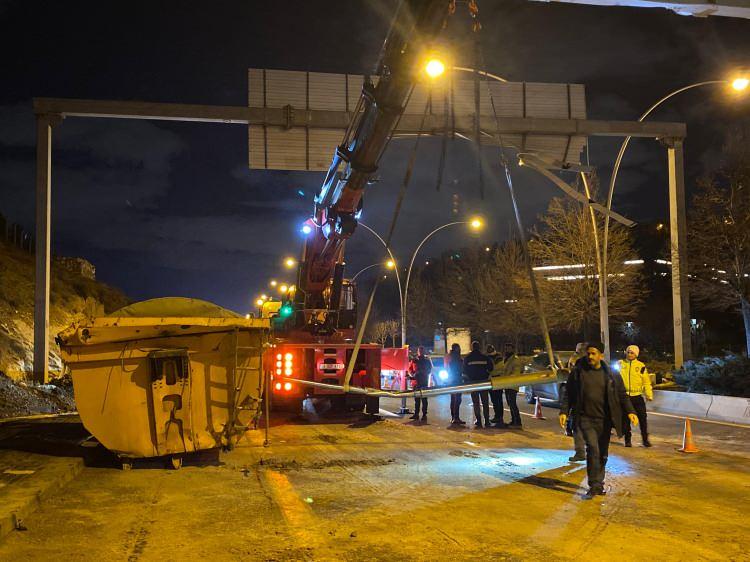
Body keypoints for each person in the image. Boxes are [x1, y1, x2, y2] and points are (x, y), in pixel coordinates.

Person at [559, 342, 638, 499]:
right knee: (593, 450)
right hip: (585, 418)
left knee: (602, 453)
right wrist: (564, 412)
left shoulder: (611, 374)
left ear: (601, 355)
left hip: (605, 420)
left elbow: (622, 394)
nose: (590, 356)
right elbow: (569, 394)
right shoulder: (578, 372)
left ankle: (598, 483)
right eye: (588, 353)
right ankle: (594, 484)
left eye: (593, 353)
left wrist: (630, 412)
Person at [617, 345, 653, 447]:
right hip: (625, 397)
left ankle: (645, 440)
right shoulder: (620, 364)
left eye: (632, 352)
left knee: (642, 419)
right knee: (625, 420)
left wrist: (649, 394)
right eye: (628, 352)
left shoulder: (641, 366)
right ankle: (627, 440)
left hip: (637, 396)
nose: (629, 354)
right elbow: (614, 378)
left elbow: (646, 382)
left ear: (636, 354)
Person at [463, 341, 493, 428]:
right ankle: (487, 421)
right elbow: (491, 368)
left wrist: (469, 378)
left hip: (473, 383)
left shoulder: (468, 358)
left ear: (472, 348)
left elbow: (464, 370)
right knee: (485, 402)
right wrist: (486, 374)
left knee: (476, 403)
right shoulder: (485, 357)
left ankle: (479, 421)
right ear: (479, 347)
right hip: (484, 382)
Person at [565, 342, 587, 462]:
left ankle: (585, 452)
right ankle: (581, 453)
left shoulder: (596, 367)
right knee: (577, 427)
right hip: (579, 403)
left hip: (588, 404)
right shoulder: (575, 363)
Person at [499, 343, 523, 428]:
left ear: (512, 349)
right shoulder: (506, 359)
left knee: (512, 403)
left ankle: (517, 422)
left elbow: (515, 373)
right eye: (506, 348)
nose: (507, 350)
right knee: (510, 403)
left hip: (512, 385)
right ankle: (513, 421)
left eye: (509, 348)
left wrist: (507, 378)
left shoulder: (515, 360)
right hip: (507, 384)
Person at [408, 346, 432, 422]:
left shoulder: (426, 360)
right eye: (419, 351)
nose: (420, 352)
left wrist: (423, 373)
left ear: (423, 351)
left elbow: (429, 369)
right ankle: (416, 414)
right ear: (418, 351)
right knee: (416, 399)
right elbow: (410, 368)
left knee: (424, 399)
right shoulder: (414, 360)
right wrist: (412, 374)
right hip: (416, 382)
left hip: (424, 381)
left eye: (422, 351)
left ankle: (424, 415)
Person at [486, 344, 508, 427]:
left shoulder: (498, 358)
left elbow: (494, 369)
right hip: (495, 380)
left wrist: (489, 372)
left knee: (497, 400)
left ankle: (499, 417)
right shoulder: (492, 357)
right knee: (495, 400)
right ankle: (497, 416)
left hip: (496, 380)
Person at [445, 343, 466, 425]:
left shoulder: (449, 356)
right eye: (459, 348)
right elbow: (459, 368)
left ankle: (453, 417)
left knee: (453, 399)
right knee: (457, 399)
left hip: (451, 380)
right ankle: (456, 418)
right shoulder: (456, 357)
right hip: (456, 380)